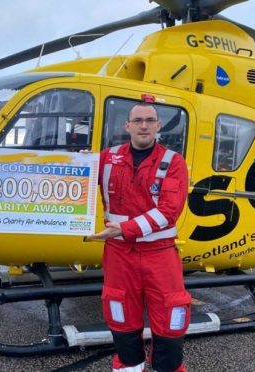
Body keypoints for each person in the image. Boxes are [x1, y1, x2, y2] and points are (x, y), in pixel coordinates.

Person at [88, 102, 191, 372]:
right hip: (119, 254)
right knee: (120, 312)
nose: (143, 125)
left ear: (158, 126)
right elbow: (74, 182)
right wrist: (79, 164)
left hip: (160, 253)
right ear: (128, 126)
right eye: (138, 120)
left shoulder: (173, 162)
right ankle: (128, 367)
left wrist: (125, 229)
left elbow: (169, 211)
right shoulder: (106, 158)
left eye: (149, 120)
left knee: (171, 316)